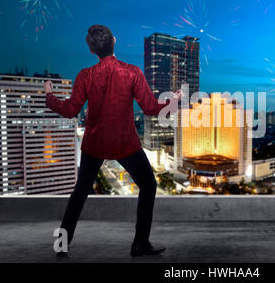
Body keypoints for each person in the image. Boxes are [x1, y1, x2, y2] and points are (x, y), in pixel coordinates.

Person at [44, 25, 182, 257]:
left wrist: (49, 96)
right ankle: (140, 243)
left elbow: (69, 110)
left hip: (94, 144)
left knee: (80, 192)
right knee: (148, 186)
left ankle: (61, 245)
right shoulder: (132, 72)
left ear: (91, 50)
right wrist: (174, 102)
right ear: (114, 41)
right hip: (125, 143)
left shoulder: (85, 75)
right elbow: (149, 108)